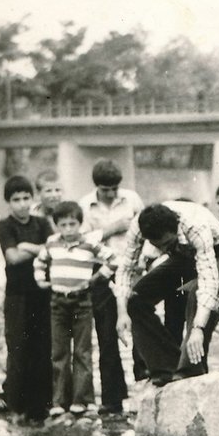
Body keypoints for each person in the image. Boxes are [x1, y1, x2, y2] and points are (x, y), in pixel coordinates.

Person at [114, 201, 219, 385]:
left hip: (217, 254)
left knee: (197, 292)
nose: (162, 250)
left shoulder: (196, 226)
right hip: (180, 255)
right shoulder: (137, 226)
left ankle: (190, 371)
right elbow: (125, 269)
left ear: (175, 228)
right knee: (136, 299)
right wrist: (122, 312)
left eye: (165, 244)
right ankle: (165, 367)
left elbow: (208, 281)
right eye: (157, 246)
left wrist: (198, 328)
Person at [33, 201, 114, 418]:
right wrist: (41, 280)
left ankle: (82, 400)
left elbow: (114, 259)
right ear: (57, 225)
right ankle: (59, 401)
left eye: (73, 224)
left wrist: (97, 278)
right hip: (58, 302)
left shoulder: (89, 243)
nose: (68, 229)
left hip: (82, 302)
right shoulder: (52, 244)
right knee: (59, 353)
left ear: (80, 223)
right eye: (63, 225)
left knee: (82, 352)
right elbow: (39, 263)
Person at [78, 159, 143, 414]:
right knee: (106, 334)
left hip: (132, 266)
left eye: (115, 188)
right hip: (101, 272)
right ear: (97, 188)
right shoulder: (84, 206)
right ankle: (112, 399)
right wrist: (110, 229)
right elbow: (79, 240)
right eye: (107, 190)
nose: (113, 193)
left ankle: (145, 386)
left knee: (139, 325)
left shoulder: (132, 199)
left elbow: (149, 226)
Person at [0, 176, 53, 424]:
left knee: (43, 347)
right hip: (17, 295)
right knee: (18, 345)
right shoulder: (5, 225)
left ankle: (43, 404)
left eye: (26, 198)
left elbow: (52, 250)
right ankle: (16, 403)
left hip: (43, 293)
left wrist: (27, 246)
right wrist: (37, 249)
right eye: (16, 199)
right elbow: (12, 257)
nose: (22, 204)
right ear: (8, 202)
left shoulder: (41, 223)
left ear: (33, 199)